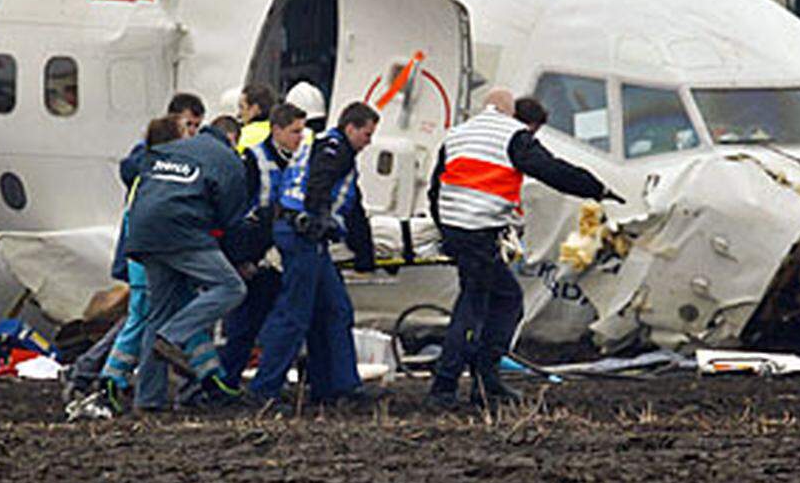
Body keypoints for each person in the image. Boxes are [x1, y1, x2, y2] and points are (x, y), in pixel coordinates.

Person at [425, 88, 623, 411]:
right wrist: (595, 188)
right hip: (479, 231)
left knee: (492, 300)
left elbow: (436, 187)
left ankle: (480, 382)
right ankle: (452, 386)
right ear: (512, 113)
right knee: (489, 304)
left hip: (457, 228)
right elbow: (551, 170)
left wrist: (447, 229)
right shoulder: (512, 134)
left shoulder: (457, 134)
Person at [66, 92, 209, 400]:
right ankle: (101, 375)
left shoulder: (157, 164)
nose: (193, 134)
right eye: (188, 126)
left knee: (145, 317)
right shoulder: (152, 165)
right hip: (148, 254)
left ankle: (105, 375)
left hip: (148, 252)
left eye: (197, 127)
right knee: (145, 317)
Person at [246, 101, 379, 406]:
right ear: (350, 128)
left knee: (335, 309)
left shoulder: (330, 149)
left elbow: (353, 208)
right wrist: (318, 217)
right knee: (295, 314)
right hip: (301, 235)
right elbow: (320, 181)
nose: (368, 142)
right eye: (366, 135)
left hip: (304, 234)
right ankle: (265, 389)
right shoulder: (334, 149)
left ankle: (338, 385)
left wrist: (364, 254)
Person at [125, 114, 249, 410]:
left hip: (143, 231)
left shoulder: (176, 148)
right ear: (232, 138)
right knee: (232, 287)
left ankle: (149, 400)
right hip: (182, 231)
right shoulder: (228, 159)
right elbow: (231, 217)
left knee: (159, 311)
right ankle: (174, 336)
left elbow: (135, 171)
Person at [218, 101, 307, 388]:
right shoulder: (254, 162)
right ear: (276, 130)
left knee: (284, 322)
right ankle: (224, 383)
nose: (300, 138)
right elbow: (239, 213)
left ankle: (270, 381)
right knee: (244, 326)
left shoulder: (301, 159)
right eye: (294, 132)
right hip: (257, 255)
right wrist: (241, 258)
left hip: (285, 253)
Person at [236, 83, 277, 154]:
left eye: (242, 107)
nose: (238, 114)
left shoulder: (244, 136)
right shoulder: (279, 131)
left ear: (255, 109)